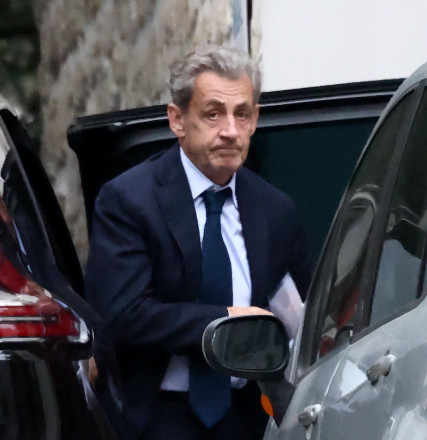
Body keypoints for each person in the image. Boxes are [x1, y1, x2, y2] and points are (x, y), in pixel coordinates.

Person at [84, 44, 311, 440]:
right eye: (213, 113)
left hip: (250, 417)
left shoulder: (274, 210)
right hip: (160, 416)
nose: (230, 130)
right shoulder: (129, 200)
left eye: (242, 114)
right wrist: (228, 322)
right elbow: (123, 314)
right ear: (177, 119)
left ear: (256, 119)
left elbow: (305, 312)